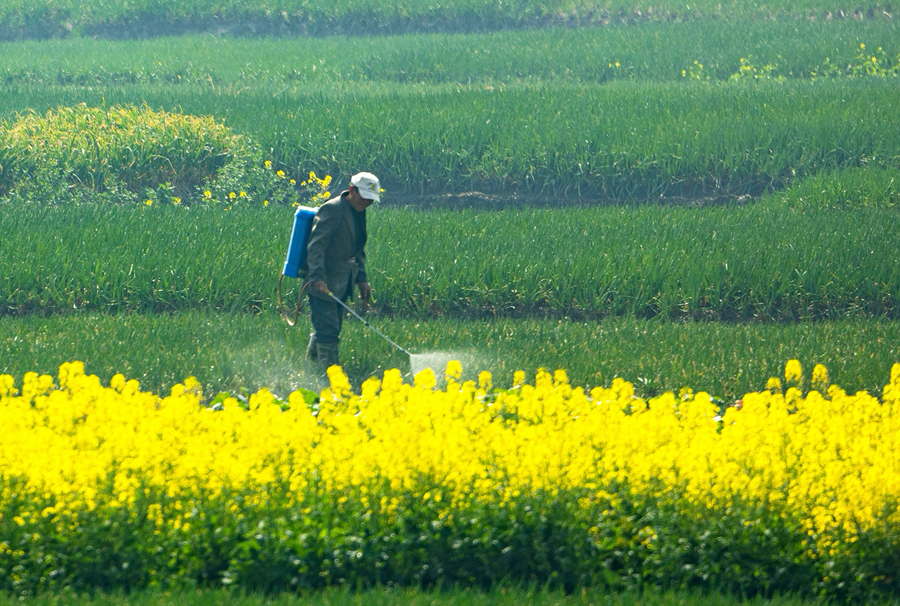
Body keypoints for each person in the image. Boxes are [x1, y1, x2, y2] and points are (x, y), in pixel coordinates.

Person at [304, 172, 380, 370]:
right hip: (323, 281)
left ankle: (311, 368)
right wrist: (317, 278)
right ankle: (330, 377)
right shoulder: (333, 209)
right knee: (328, 331)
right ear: (352, 190)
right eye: (364, 197)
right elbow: (316, 246)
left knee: (330, 329)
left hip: (342, 281)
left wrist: (361, 279)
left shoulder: (358, 211)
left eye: (371, 200)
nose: (367, 203)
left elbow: (357, 249)